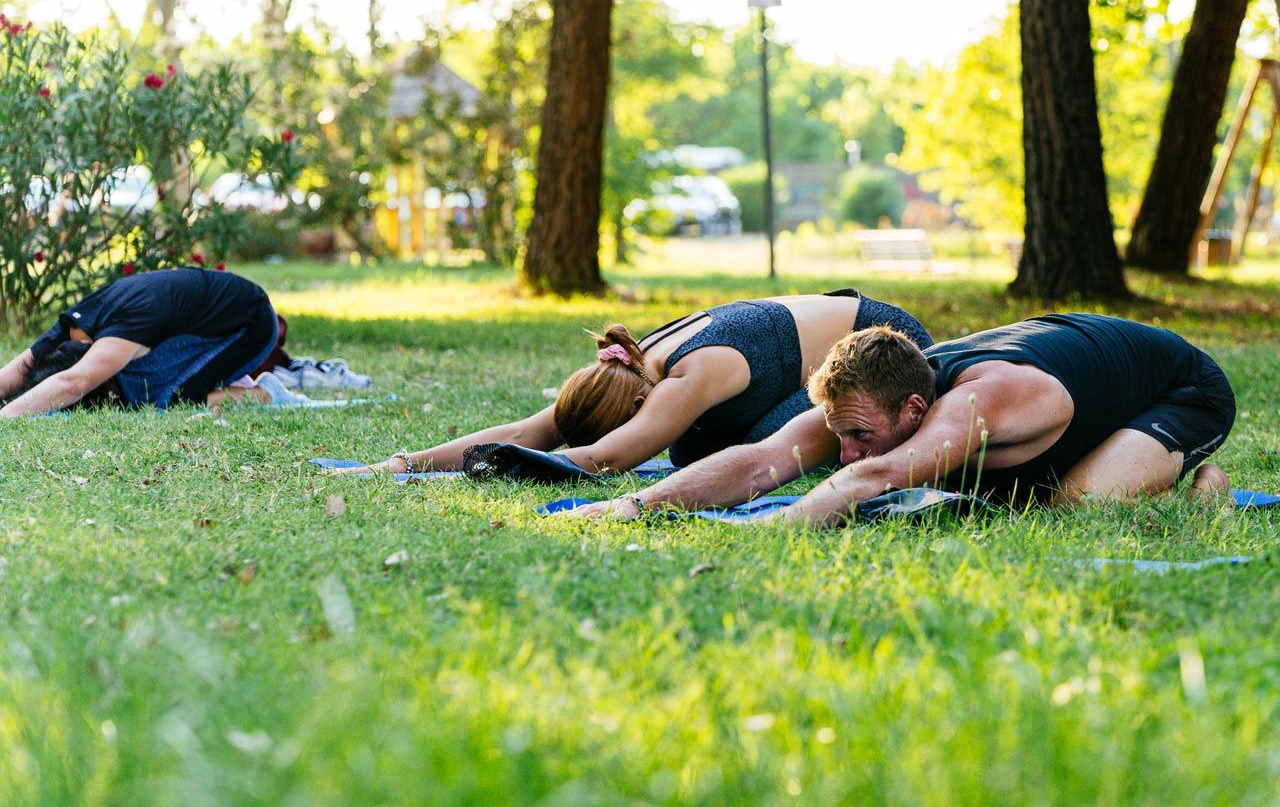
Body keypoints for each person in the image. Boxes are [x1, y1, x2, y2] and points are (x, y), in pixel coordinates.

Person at [568, 313, 1235, 524]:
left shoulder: (980, 401)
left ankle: (1204, 485)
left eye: (859, 435)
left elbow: (880, 473)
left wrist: (773, 533)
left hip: (1178, 387)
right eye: (840, 434)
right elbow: (762, 460)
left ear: (915, 409)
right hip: (1078, 372)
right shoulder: (869, 400)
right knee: (998, 491)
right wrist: (635, 505)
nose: (847, 452)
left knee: (1076, 502)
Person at [332, 289, 933, 475]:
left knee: (741, 453)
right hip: (799, 363)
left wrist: (506, 468)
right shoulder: (626, 364)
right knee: (692, 451)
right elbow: (527, 430)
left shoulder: (687, 377)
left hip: (880, 353)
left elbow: (603, 458)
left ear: (644, 403)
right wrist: (404, 463)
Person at [0, 267, 308, 417]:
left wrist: (6, 418)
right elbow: (24, 365)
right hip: (213, 310)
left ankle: (265, 394)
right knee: (139, 380)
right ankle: (225, 376)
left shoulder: (126, 328)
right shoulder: (75, 324)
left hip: (252, 324)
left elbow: (73, 383)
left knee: (166, 398)